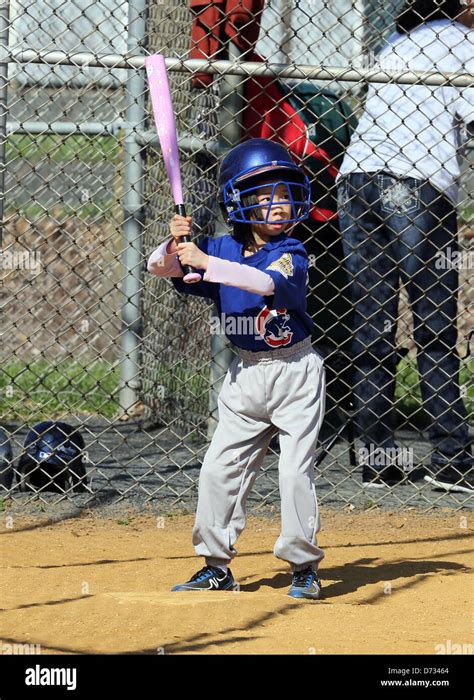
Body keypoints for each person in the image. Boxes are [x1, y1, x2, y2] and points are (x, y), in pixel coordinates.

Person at [147, 138, 326, 599]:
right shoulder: (220, 246)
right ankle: (215, 565)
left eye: (284, 195)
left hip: (294, 373)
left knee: (293, 473)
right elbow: (158, 268)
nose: (278, 205)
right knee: (218, 470)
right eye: (264, 198)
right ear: (237, 203)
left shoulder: (292, 251)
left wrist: (207, 262)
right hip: (244, 376)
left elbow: (265, 282)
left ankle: (303, 565)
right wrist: (175, 242)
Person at [337, 0, 474, 492]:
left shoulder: (396, 43)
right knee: (434, 321)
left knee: (371, 318)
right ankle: (453, 456)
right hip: (416, 188)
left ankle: (375, 454)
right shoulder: (464, 43)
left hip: (355, 181)